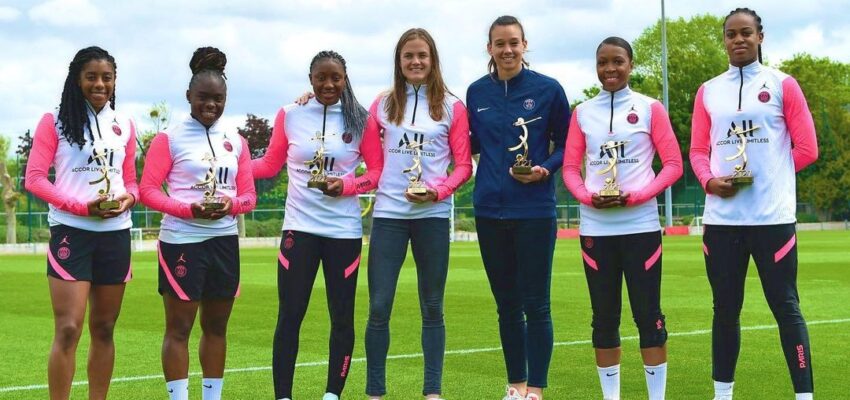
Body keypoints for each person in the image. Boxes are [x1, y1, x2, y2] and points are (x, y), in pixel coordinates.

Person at [690, 8, 818, 400]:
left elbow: (808, 149)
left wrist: (772, 176)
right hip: (722, 220)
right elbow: (697, 150)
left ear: (760, 37)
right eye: (731, 34)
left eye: (746, 33)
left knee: (786, 308)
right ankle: (723, 394)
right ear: (724, 40)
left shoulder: (783, 84)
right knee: (725, 311)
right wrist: (710, 181)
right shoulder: (708, 90)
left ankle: (804, 395)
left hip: (772, 219)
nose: (738, 40)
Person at [251, 50, 382, 400]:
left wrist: (348, 186)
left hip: (344, 233)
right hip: (299, 229)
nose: (328, 84)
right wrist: (229, 164)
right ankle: (283, 396)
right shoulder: (290, 114)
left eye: (335, 78)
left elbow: (376, 173)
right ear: (310, 79)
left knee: (342, 317)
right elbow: (269, 164)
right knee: (290, 316)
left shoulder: (361, 120)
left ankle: (332, 395)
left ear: (345, 79)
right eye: (321, 77)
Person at [563, 36, 683, 400]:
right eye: (603, 62)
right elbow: (570, 168)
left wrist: (638, 196)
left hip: (640, 226)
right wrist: (586, 197)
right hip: (595, 228)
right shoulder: (582, 112)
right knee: (603, 318)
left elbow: (674, 165)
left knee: (649, 316)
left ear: (630, 65)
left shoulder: (649, 108)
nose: (610, 69)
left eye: (617, 61)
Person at [139, 46, 257, 400]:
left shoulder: (236, 141)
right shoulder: (169, 138)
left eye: (218, 99)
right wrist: (188, 210)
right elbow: (147, 190)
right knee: (179, 328)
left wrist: (230, 204)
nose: (211, 105)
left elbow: (248, 196)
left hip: (223, 241)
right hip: (181, 241)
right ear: (188, 96)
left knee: (217, 327)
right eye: (203, 98)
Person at [362, 28, 472, 400]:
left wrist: (438, 192)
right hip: (389, 216)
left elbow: (462, 166)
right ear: (399, 61)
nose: (415, 62)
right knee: (378, 306)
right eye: (408, 56)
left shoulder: (453, 107)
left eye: (422, 55)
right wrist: (310, 97)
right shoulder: (381, 104)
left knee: (432, 305)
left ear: (433, 59)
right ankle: (375, 391)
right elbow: (367, 155)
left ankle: (432, 392)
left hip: (433, 218)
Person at [466, 15, 569, 400]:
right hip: (489, 211)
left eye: (514, 43)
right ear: (489, 48)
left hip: (535, 211)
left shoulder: (548, 89)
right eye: (499, 43)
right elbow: (469, 143)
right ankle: (516, 385)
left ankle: (536, 389)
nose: (507, 50)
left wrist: (546, 169)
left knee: (536, 304)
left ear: (525, 45)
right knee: (506, 306)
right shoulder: (477, 92)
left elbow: (568, 141)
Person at [25, 46, 137, 400]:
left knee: (104, 328)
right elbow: (35, 179)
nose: (99, 84)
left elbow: (131, 181)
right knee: (69, 328)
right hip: (71, 232)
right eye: (92, 77)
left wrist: (128, 199)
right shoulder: (54, 121)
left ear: (115, 81)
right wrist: (78, 207)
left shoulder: (125, 125)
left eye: (107, 77)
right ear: (78, 79)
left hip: (115, 235)